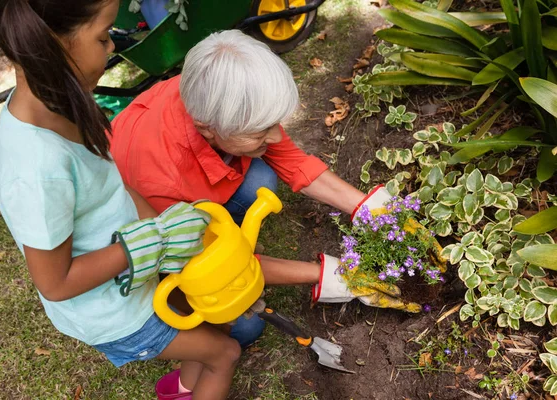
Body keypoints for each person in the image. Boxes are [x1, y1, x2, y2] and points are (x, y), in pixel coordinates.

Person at [108, 30, 436, 371]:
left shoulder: (216, 88)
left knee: (262, 178)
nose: (278, 136)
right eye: (260, 131)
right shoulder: (163, 182)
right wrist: (337, 276)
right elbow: (216, 268)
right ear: (208, 128)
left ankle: (225, 220)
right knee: (245, 326)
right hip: (157, 236)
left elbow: (293, 162)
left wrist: (375, 210)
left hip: (186, 178)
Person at [0, 1, 241, 399]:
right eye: (104, 36)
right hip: (115, 315)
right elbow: (55, 282)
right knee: (225, 352)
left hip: (135, 277)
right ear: (50, 42)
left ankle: (180, 389)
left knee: (216, 317)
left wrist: (166, 231)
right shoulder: (35, 167)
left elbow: (111, 186)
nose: (113, 48)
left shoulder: (59, 100)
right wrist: (149, 240)